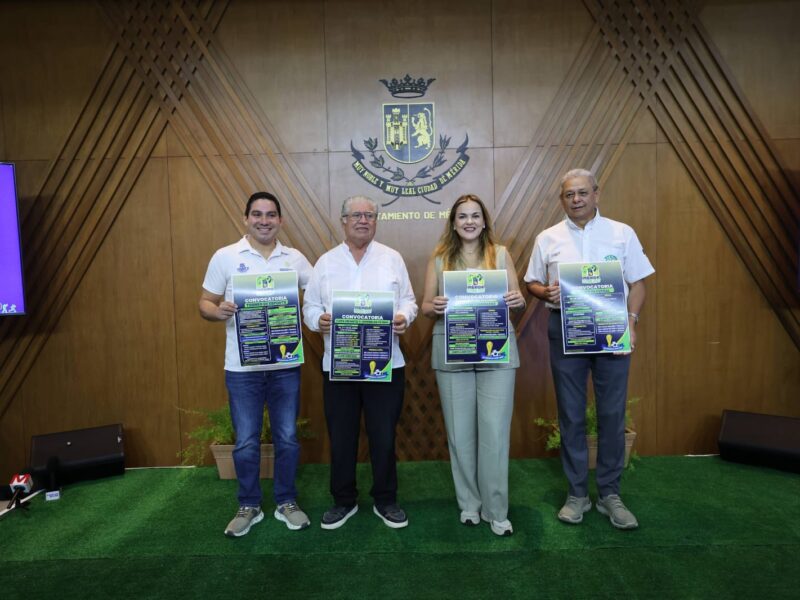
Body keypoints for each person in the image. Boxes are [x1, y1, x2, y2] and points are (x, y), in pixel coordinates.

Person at [525, 169, 654, 530]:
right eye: (569, 195)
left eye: (583, 193)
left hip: (612, 332)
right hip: (565, 331)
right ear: (562, 199)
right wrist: (543, 292)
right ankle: (577, 494)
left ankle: (610, 493)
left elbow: (639, 283)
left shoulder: (621, 232)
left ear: (596, 194)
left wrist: (631, 322)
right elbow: (532, 281)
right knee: (571, 414)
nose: (576, 199)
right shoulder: (547, 238)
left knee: (612, 414)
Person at [199, 191, 313, 537]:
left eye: (271, 215)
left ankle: (286, 501)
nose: (264, 220)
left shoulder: (294, 259)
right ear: (245, 218)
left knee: (288, 438)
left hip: (284, 367)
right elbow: (205, 301)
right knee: (247, 441)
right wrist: (217, 312)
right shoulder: (226, 257)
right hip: (241, 369)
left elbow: (322, 292)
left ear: (280, 220)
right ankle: (248, 504)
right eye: (257, 214)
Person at [303, 195, 418, 530]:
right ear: (343, 220)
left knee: (383, 436)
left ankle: (386, 499)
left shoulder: (392, 258)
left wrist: (403, 317)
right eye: (356, 215)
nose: (363, 220)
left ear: (375, 221)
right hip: (339, 366)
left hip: (386, 364)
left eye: (369, 215)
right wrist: (318, 321)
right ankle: (343, 500)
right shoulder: (325, 263)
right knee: (342, 436)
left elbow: (409, 301)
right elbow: (309, 306)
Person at [421, 194, 526, 537]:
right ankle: (469, 504)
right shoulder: (439, 258)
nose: (469, 221)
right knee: (460, 435)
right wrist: (435, 305)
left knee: (495, 433)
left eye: (475, 216)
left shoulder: (502, 254)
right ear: (453, 222)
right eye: (462, 216)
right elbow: (424, 306)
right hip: (453, 353)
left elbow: (519, 300)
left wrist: (518, 299)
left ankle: (496, 510)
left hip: (496, 355)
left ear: (484, 221)